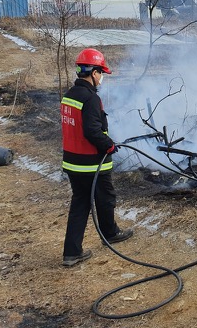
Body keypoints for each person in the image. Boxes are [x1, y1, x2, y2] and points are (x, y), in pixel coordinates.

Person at [61, 48, 133, 267]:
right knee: (106, 197)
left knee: (80, 204)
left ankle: (71, 254)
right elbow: (92, 131)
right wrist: (108, 145)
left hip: (72, 162)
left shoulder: (69, 96)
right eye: (100, 72)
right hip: (91, 163)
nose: (101, 78)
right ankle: (110, 233)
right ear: (92, 72)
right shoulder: (90, 98)